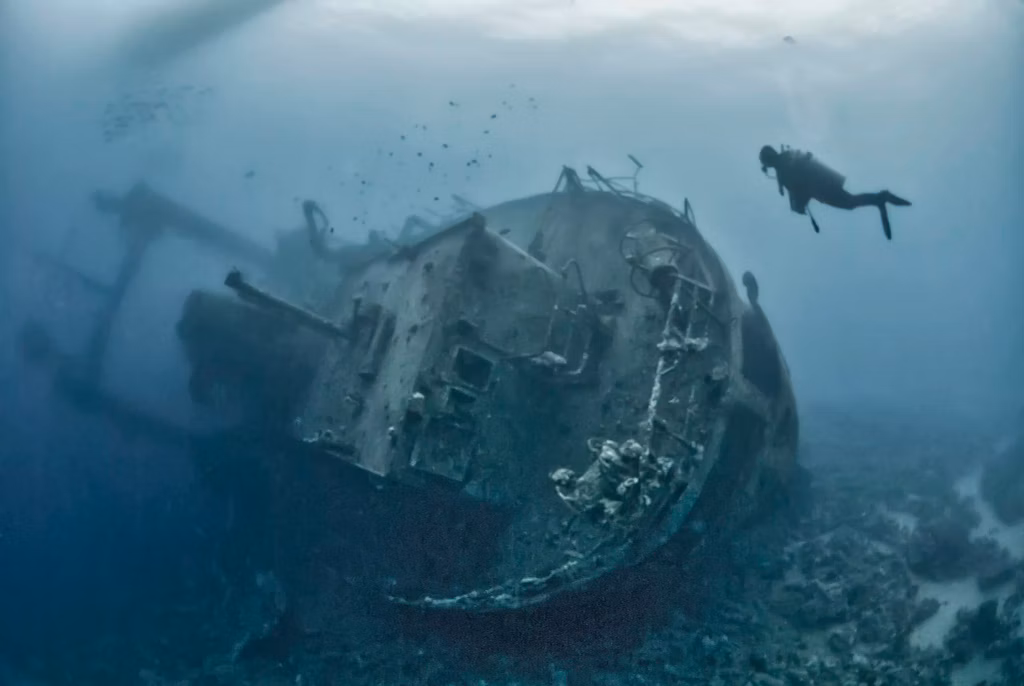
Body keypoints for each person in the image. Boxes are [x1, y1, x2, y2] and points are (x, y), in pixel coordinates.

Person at [759, 144, 911, 240]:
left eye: (766, 162)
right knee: (850, 202)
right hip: (822, 186)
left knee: (850, 203)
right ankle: (879, 199)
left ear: (768, 159)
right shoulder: (785, 162)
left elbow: (798, 188)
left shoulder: (783, 169)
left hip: (821, 188)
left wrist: (797, 205)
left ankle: (880, 198)